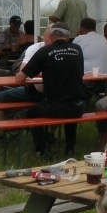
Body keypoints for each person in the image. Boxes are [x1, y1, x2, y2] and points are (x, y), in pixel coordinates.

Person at [15, 22, 85, 158]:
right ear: (68, 37)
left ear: (51, 37)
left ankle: (42, 150)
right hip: (79, 107)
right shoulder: (78, 49)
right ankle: (70, 148)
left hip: (55, 108)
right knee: (70, 103)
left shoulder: (44, 51)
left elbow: (20, 78)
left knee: (32, 113)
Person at [0, 25, 55, 141]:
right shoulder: (35, 48)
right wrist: (45, 72)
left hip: (53, 92)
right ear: (43, 36)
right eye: (48, 36)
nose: (49, 40)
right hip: (33, 89)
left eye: (52, 37)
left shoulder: (60, 51)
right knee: (0, 97)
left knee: (59, 99)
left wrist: (35, 71)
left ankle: (50, 134)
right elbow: (22, 71)